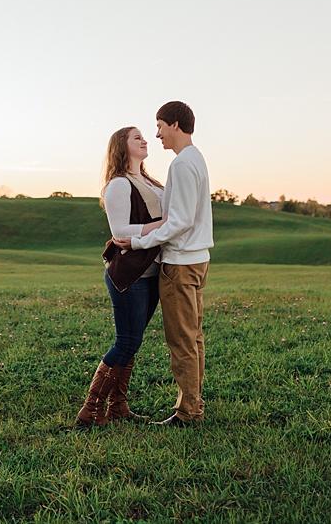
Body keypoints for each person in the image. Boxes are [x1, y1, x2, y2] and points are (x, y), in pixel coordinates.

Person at [113, 101, 213, 427]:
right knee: (194, 338)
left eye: (159, 126)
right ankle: (194, 405)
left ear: (174, 124)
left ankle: (188, 414)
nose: (156, 135)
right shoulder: (194, 159)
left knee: (182, 342)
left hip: (181, 263)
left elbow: (179, 221)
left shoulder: (183, 165)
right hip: (197, 260)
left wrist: (138, 241)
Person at [76, 126, 167, 427]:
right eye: (136, 137)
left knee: (133, 342)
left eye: (144, 136)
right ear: (121, 146)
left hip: (152, 272)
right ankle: (91, 410)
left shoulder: (150, 181)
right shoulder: (118, 184)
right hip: (130, 275)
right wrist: (165, 224)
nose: (145, 140)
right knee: (126, 342)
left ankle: (118, 407)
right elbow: (120, 233)